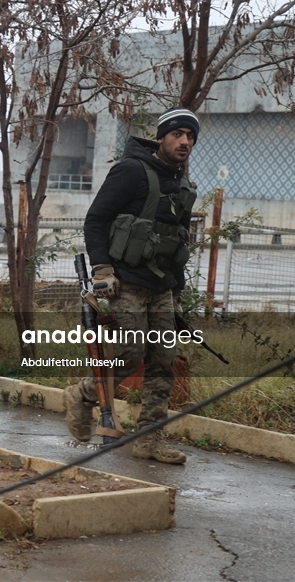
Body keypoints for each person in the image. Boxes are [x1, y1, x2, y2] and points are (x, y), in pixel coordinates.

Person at [66, 107, 200, 464]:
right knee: (131, 352)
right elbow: (96, 219)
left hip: (162, 286)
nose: (184, 141)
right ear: (161, 137)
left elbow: (178, 241)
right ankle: (82, 394)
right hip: (126, 281)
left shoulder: (182, 186)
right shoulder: (131, 171)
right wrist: (102, 269)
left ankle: (149, 440)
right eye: (177, 134)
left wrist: (177, 294)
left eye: (190, 136)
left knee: (164, 361)